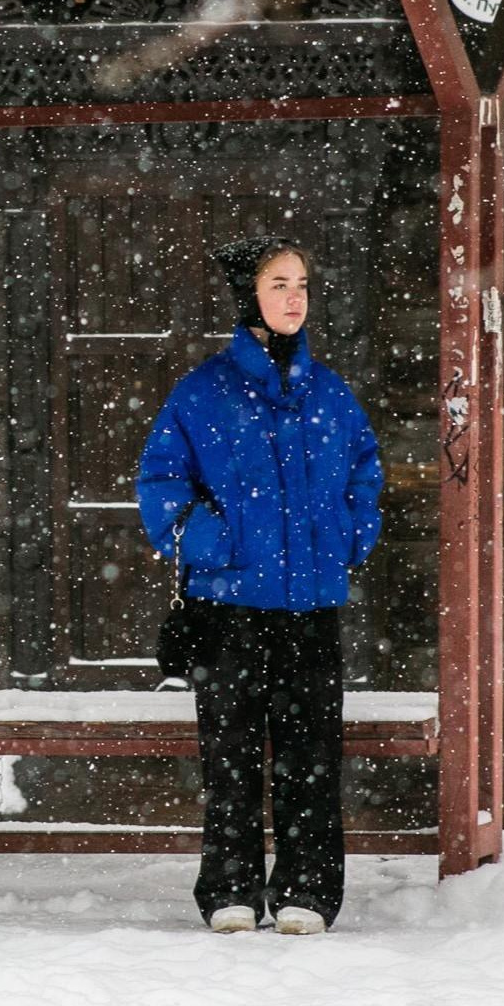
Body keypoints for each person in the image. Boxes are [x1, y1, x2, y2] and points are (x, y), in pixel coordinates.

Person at [136, 236, 383, 937]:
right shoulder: (201, 394)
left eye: (302, 283)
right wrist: (223, 546)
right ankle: (231, 890)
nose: (295, 296)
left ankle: (307, 891)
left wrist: (347, 535)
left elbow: (366, 475)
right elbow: (160, 487)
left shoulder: (331, 394)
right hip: (228, 609)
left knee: (311, 757)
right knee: (232, 755)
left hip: (310, 608)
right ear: (250, 296)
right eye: (279, 284)